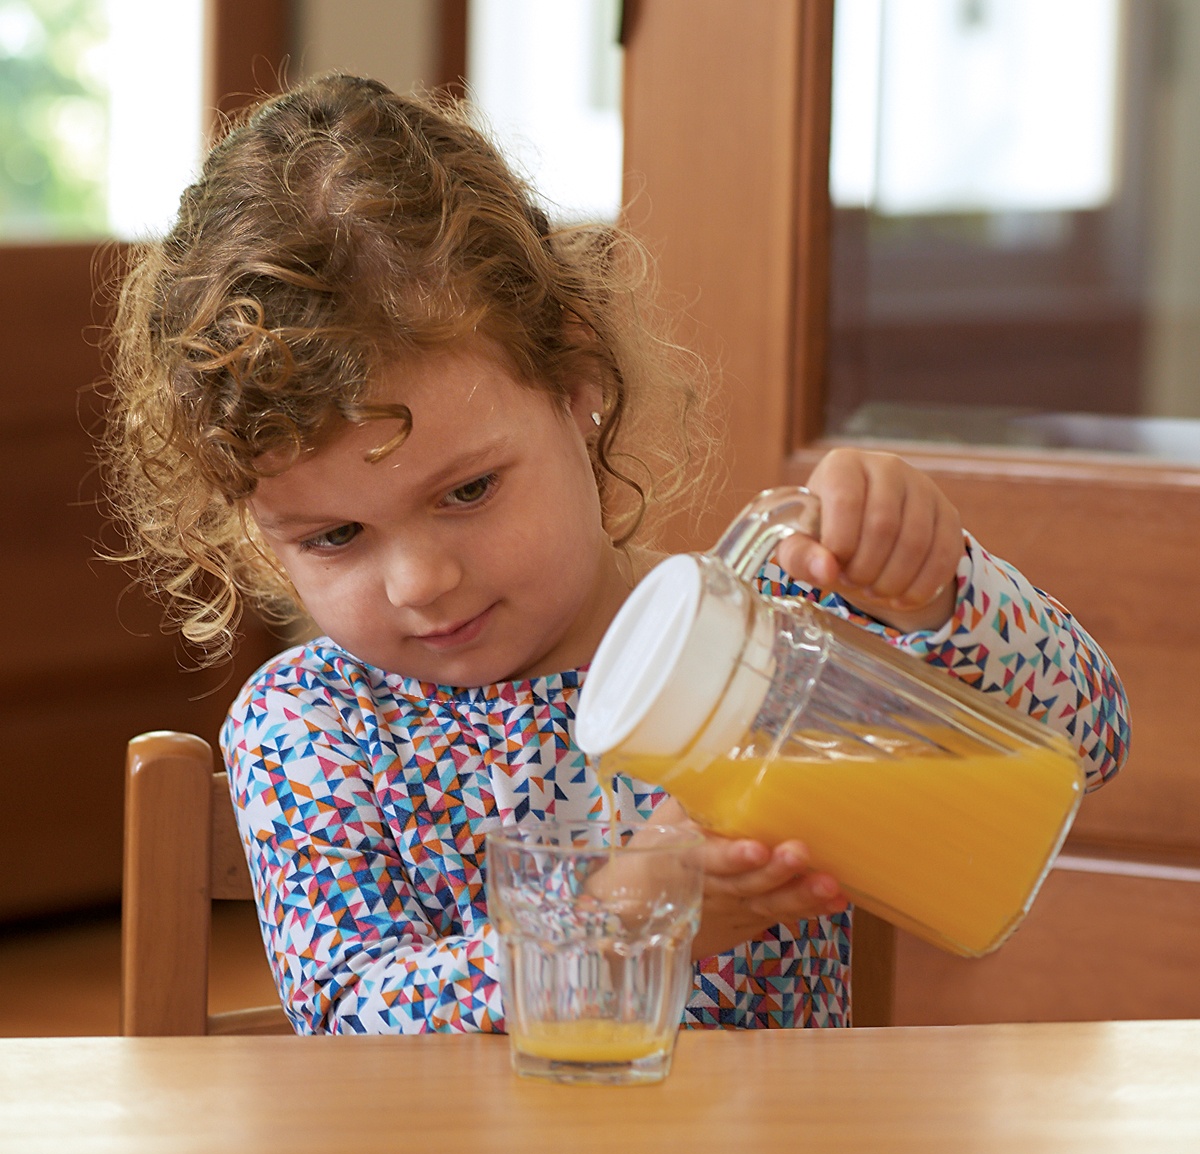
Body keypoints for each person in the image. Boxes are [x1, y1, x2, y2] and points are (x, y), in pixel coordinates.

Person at [102, 73, 1130, 1035]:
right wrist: (610, 926)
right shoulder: (312, 728)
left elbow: (1086, 739)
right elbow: (351, 1022)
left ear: (577, 380)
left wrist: (934, 591)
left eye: (467, 490)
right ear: (255, 529)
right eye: (335, 536)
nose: (420, 581)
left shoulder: (762, 628)